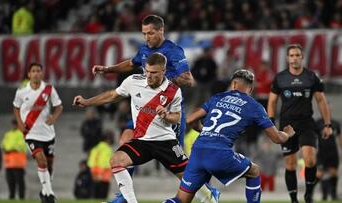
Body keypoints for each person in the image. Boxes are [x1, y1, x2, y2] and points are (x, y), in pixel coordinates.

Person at [92, 14, 219, 203]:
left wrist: (164, 78)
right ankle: (124, 196)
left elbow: (188, 80)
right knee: (126, 138)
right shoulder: (145, 49)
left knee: (178, 166)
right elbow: (131, 63)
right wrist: (108, 69)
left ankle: (207, 190)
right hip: (144, 109)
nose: (146, 38)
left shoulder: (173, 51)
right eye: (144, 34)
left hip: (166, 111)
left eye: (150, 33)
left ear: (161, 30)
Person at [164, 69, 295, 203]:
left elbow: (190, 120)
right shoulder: (254, 106)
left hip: (197, 151)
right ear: (250, 89)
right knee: (254, 171)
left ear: (233, 84)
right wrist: (287, 134)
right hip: (219, 153)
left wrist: (205, 131)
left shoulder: (217, 98)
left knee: (180, 200)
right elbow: (277, 138)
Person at [267, 44, 332, 203]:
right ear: (288, 58)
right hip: (287, 125)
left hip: (306, 123)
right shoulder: (280, 78)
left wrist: (327, 124)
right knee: (290, 163)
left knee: (310, 159)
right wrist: (270, 124)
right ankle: (294, 199)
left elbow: (321, 101)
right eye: (292, 55)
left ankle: (309, 193)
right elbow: (272, 102)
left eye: (297, 55)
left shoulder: (311, 77)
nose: (295, 58)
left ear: (302, 57)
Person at [13, 63, 63, 203]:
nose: (35, 73)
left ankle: (44, 191)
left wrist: (53, 117)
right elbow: (16, 108)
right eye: (33, 71)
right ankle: (48, 194)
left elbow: (59, 106)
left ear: (42, 73)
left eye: (38, 71)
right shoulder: (22, 91)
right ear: (29, 74)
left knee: (49, 165)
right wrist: (20, 124)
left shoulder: (49, 89)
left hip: (48, 133)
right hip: (30, 133)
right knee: (41, 160)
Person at [315, 104, 342, 200]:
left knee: (334, 173)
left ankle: (333, 195)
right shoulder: (317, 123)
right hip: (322, 152)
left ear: (331, 110)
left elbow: (339, 138)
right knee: (319, 174)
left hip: (333, 152)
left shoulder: (335, 123)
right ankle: (309, 193)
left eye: (328, 109)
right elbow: (312, 137)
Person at [1, 119, 28, 199]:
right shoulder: (7, 134)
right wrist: (9, 148)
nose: (14, 125)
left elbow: (23, 146)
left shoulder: (22, 134)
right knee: (10, 181)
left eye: (15, 124)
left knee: (20, 182)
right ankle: (11, 197)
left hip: (18, 162)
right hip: (8, 163)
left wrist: (11, 148)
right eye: (13, 124)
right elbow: (3, 145)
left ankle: (21, 197)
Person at [87, 131, 114, 199]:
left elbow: (91, 162)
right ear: (108, 139)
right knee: (102, 197)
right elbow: (105, 163)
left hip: (98, 176)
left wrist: (94, 174)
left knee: (97, 197)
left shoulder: (96, 148)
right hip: (103, 177)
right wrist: (100, 174)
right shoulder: (106, 149)